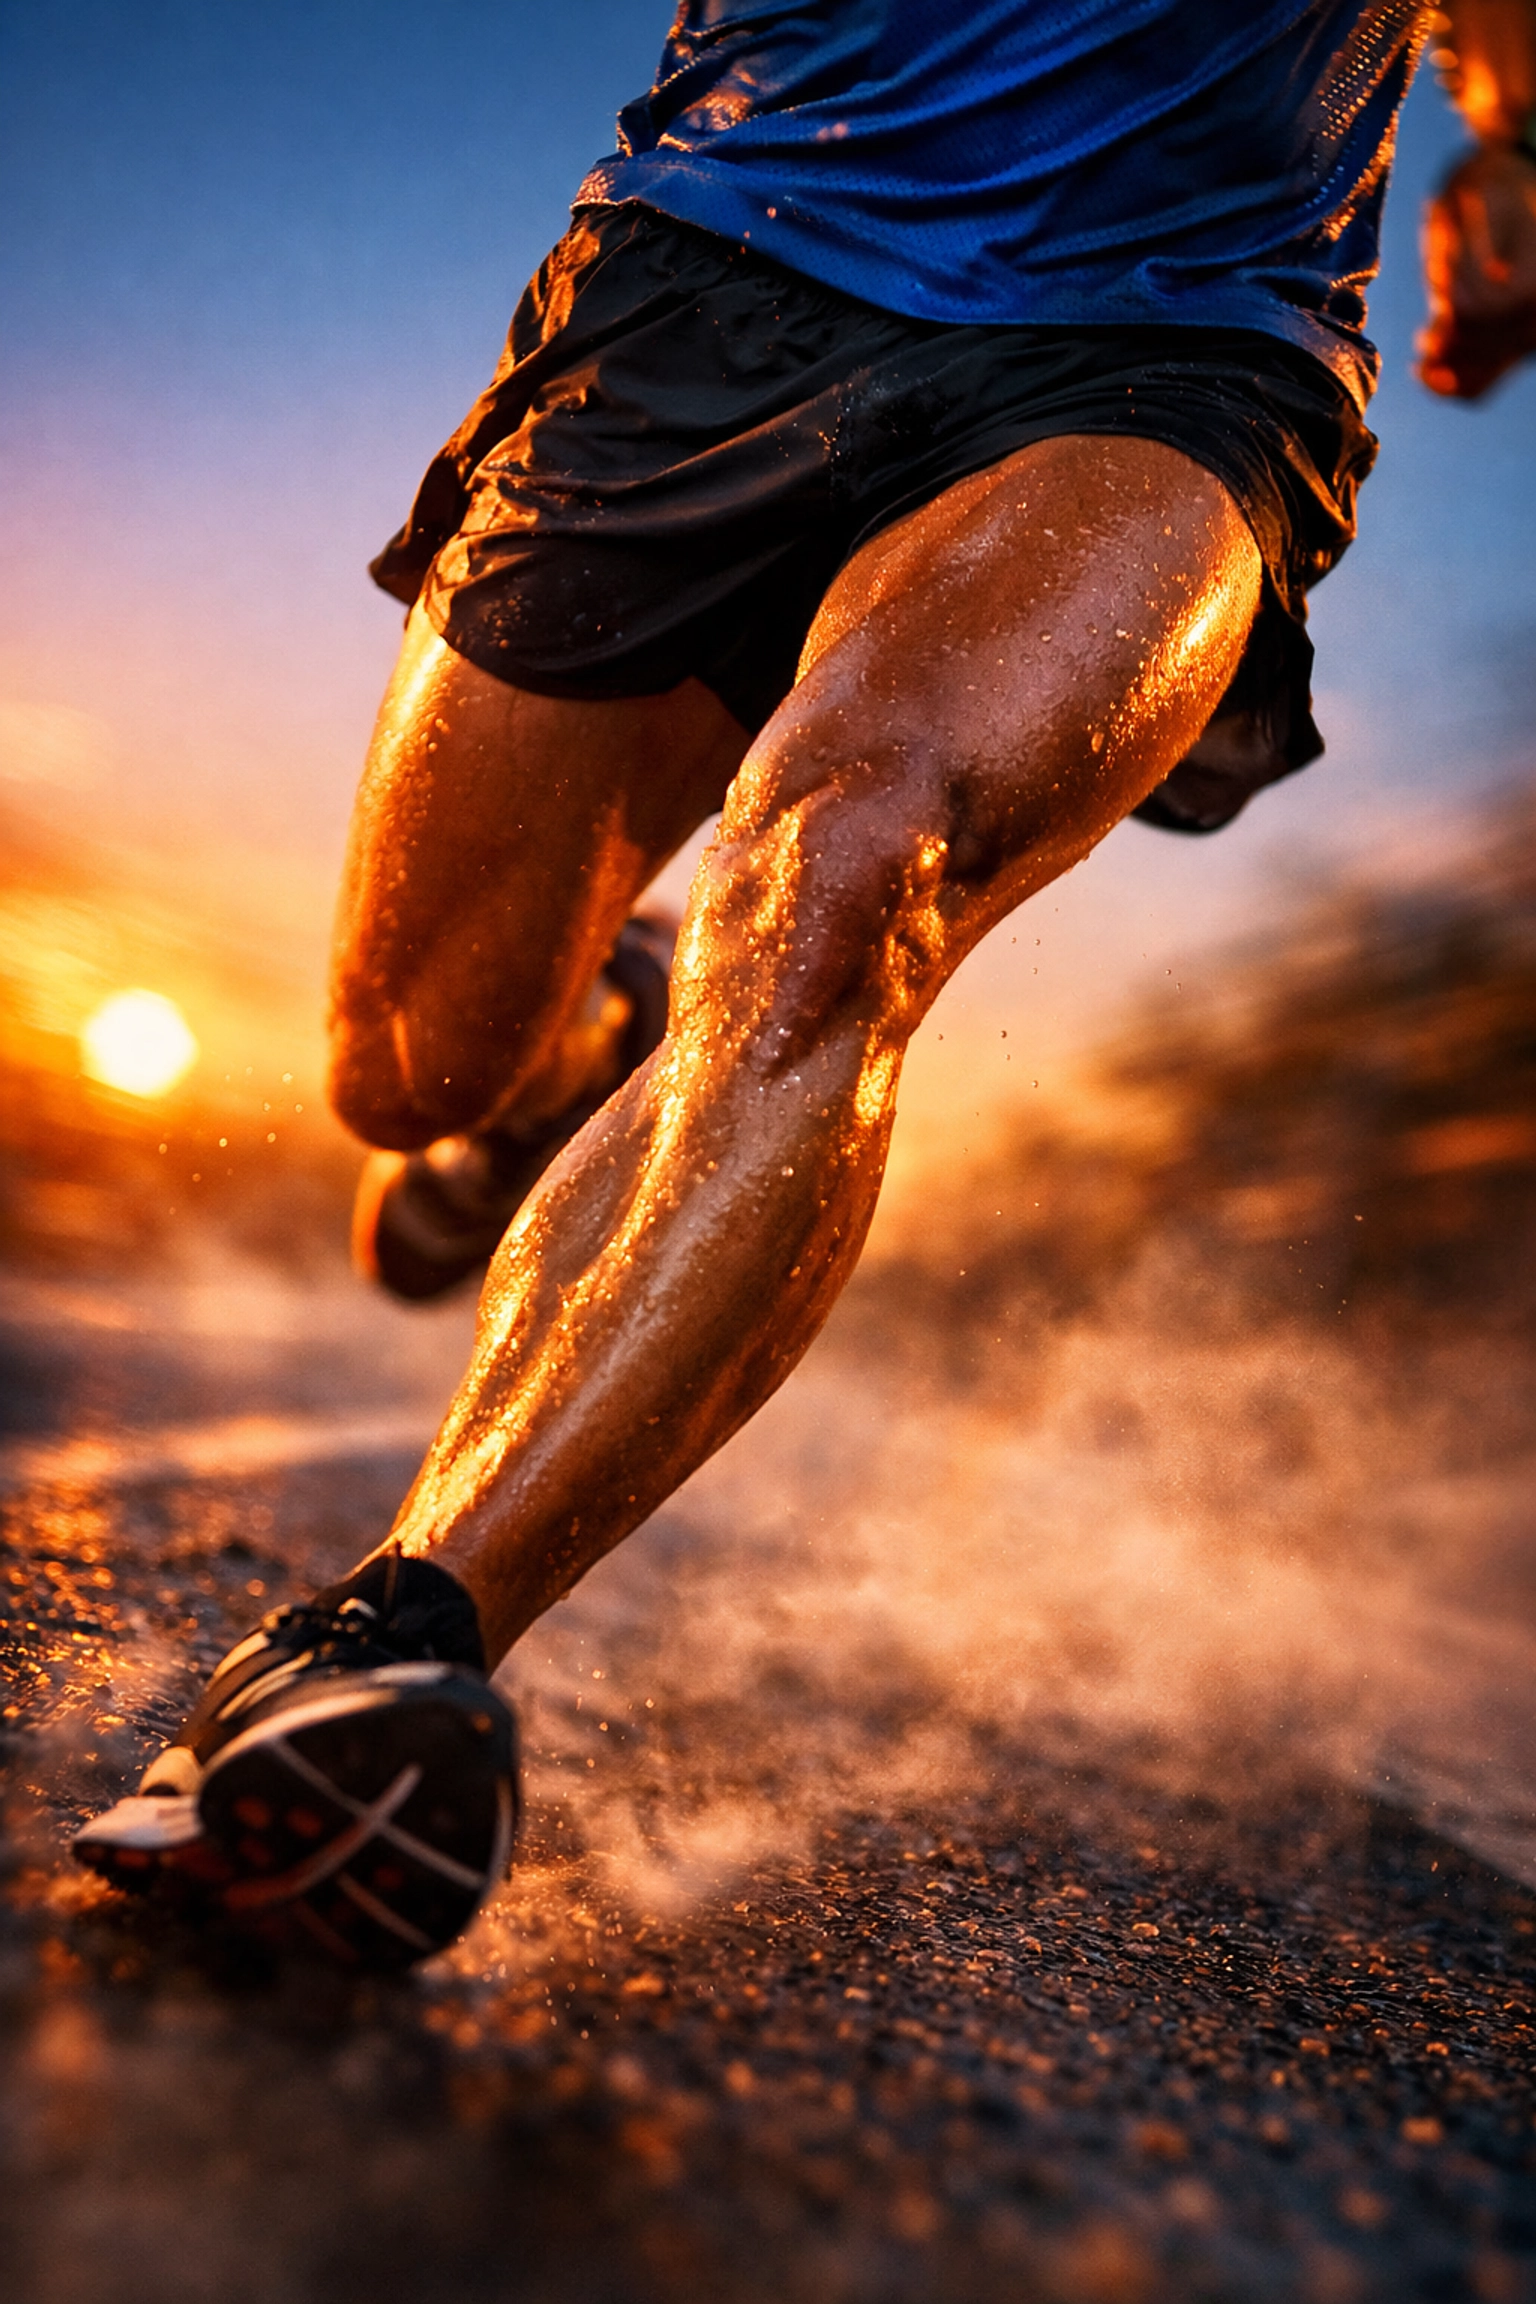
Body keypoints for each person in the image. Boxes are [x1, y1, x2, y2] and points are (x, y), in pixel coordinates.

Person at [77, 2, 1536, 1968]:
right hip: (720, 261)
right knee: (413, 1071)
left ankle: (396, 1639)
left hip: (1179, 340)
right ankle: (597, 1029)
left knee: (857, 872)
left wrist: (1518, 137)